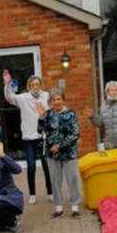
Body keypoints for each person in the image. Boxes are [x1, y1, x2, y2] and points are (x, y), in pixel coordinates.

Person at [2, 70, 53, 204]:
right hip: (28, 137)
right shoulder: (23, 97)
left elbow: (55, 106)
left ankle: (50, 192)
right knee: (31, 166)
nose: (36, 86)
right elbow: (9, 97)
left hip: (43, 136)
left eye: (37, 84)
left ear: (41, 85)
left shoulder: (47, 96)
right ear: (29, 86)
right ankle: (32, 194)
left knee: (46, 164)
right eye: (33, 85)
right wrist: (7, 85)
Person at [41, 88, 82, 218]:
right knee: (55, 179)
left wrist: (60, 145)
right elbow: (40, 130)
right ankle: (58, 208)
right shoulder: (48, 114)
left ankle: (75, 206)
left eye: (59, 99)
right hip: (52, 153)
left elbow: (75, 133)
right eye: (54, 100)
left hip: (69, 152)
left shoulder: (71, 114)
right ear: (50, 102)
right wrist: (41, 117)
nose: (57, 102)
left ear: (63, 100)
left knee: (73, 178)